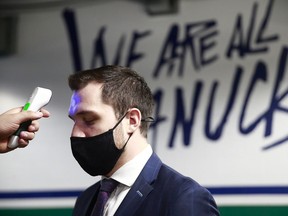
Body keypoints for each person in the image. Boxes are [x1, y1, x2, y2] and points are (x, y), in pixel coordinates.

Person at [68, 65, 219, 216]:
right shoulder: (86, 200)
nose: (75, 134)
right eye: (74, 121)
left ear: (132, 121)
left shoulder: (184, 198)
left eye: (89, 120)